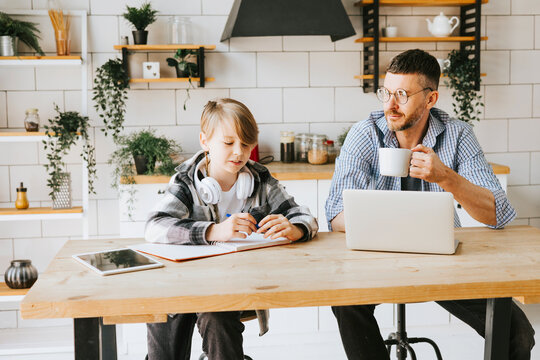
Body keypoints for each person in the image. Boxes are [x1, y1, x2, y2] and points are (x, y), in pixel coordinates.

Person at [325, 49, 535, 359]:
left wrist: (446, 177)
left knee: (517, 331)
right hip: (373, 262)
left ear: (430, 99)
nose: (390, 105)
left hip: (443, 263)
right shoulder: (364, 134)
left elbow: (498, 213)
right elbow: (334, 215)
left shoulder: (458, 135)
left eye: (402, 95)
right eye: (386, 92)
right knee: (346, 304)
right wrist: (390, 226)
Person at [145, 98, 318, 360]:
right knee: (166, 315)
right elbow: (155, 226)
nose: (239, 152)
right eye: (228, 143)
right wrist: (214, 231)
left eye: (246, 144)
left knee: (218, 314)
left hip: (233, 288)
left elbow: (304, 215)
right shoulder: (185, 181)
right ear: (205, 141)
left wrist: (295, 228)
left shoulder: (260, 181)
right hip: (181, 285)